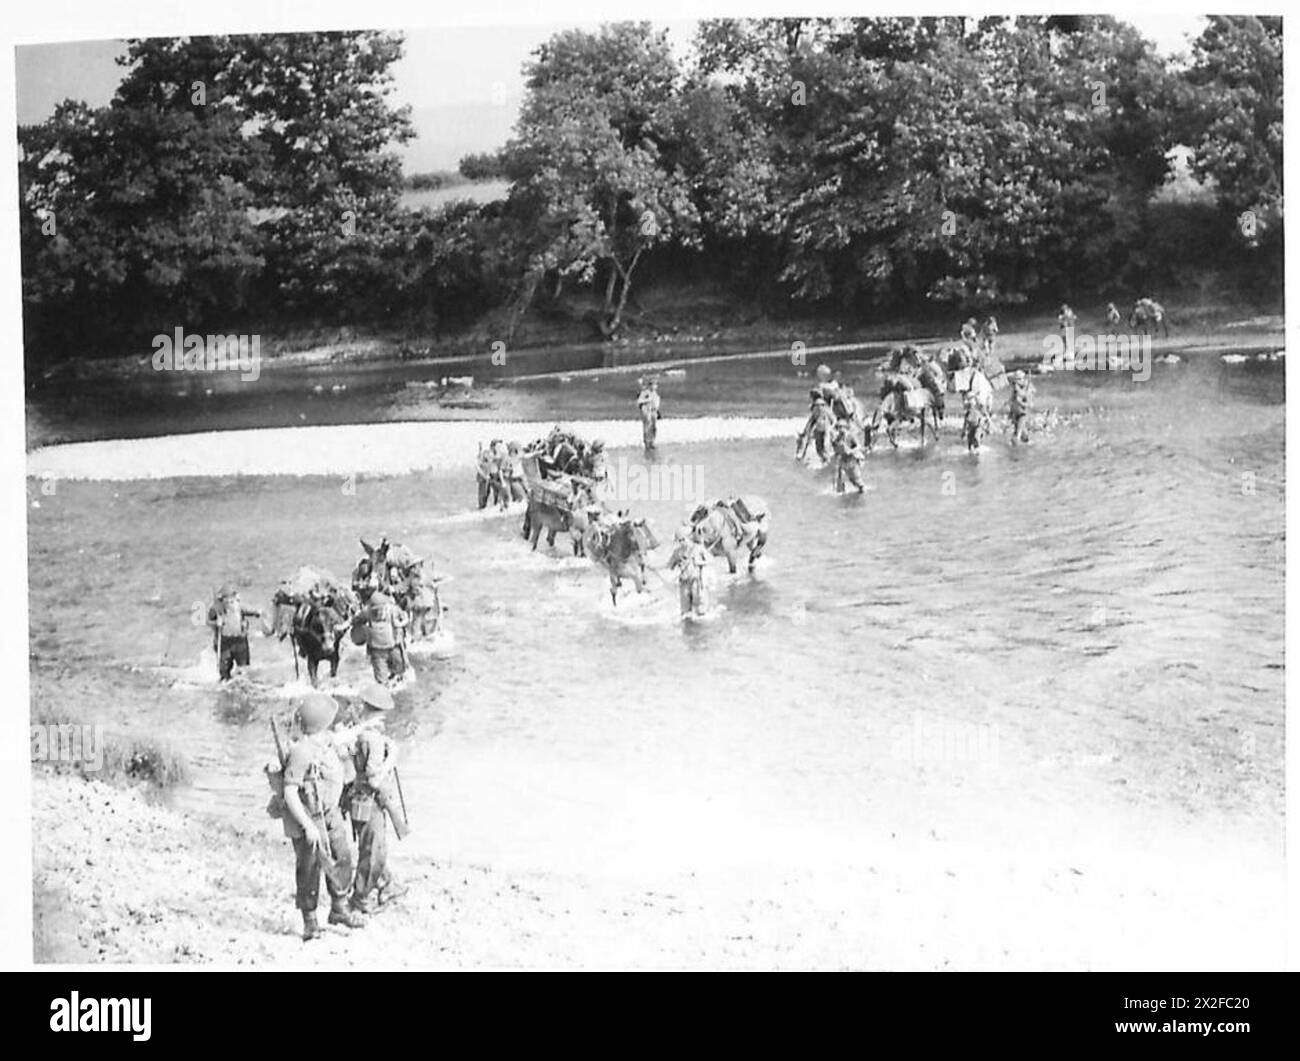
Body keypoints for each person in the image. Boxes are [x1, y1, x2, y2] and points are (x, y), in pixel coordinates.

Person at [281, 692, 366, 940]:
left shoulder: (324, 740)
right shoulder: (302, 752)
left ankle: (339, 907)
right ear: (320, 724)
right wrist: (307, 825)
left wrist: (364, 727)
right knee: (309, 868)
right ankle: (310, 921)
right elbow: (289, 790)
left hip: (331, 812)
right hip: (311, 816)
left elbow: (340, 736)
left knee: (342, 857)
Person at [343, 683, 409, 915]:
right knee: (374, 850)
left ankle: (387, 884)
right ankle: (360, 898)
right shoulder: (374, 739)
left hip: (358, 798)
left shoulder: (360, 733)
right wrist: (392, 757)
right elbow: (373, 778)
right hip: (370, 799)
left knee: (370, 845)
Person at [207, 585, 262, 682]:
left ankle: (241, 683)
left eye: (232, 599)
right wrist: (216, 623)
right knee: (224, 670)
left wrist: (258, 612)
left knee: (243, 668)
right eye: (227, 600)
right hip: (224, 643)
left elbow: (252, 611)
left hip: (240, 642)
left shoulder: (239, 607)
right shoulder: (216, 609)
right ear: (222, 600)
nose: (230, 602)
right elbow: (208, 622)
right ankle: (225, 682)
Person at [363, 589, 408, 686]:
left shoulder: (368, 611)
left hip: (383, 648)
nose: (378, 611)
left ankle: (386, 687)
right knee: (393, 673)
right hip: (386, 647)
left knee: (387, 675)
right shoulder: (391, 609)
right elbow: (404, 617)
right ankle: (388, 687)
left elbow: (356, 621)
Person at [668, 526, 710, 618]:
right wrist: (653, 567)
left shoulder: (698, 549)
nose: (682, 542)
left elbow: (710, 560)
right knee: (685, 612)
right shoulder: (677, 552)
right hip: (684, 582)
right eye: (679, 540)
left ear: (689, 537)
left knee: (700, 608)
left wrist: (699, 562)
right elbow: (669, 565)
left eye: (683, 539)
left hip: (697, 581)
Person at [831, 421, 866, 493]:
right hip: (843, 460)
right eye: (838, 428)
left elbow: (859, 446)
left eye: (841, 427)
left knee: (856, 481)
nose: (839, 429)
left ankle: (862, 493)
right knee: (840, 479)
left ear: (845, 427)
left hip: (852, 459)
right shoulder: (838, 438)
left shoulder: (850, 436)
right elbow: (836, 449)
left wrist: (851, 451)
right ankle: (841, 495)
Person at [1008, 370, 1034, 444]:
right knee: (1020, 431)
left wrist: (1021, 402)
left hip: (1022, 413)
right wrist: (1009, 404)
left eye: (1021, 379)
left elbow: (1029, 404)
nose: (1019, 381)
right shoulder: (1015, 389)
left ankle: (1016, 444)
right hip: (1015, 412)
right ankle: (1026, 442)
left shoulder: (1026, 390)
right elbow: (1012, 399)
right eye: (1018, 379)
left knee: (1018, 432)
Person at [636, 378, 661, 451]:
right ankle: (647, 443)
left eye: (655, 385)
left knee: (654, 427)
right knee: (647, 427)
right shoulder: (645, 393)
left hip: (654, 412)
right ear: (649, 385)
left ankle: (652, 442)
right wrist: (648, 400)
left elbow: (657, 403)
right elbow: (639, 401)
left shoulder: (655, 394)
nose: (654, 386)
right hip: (647, 411)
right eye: (652, 384)